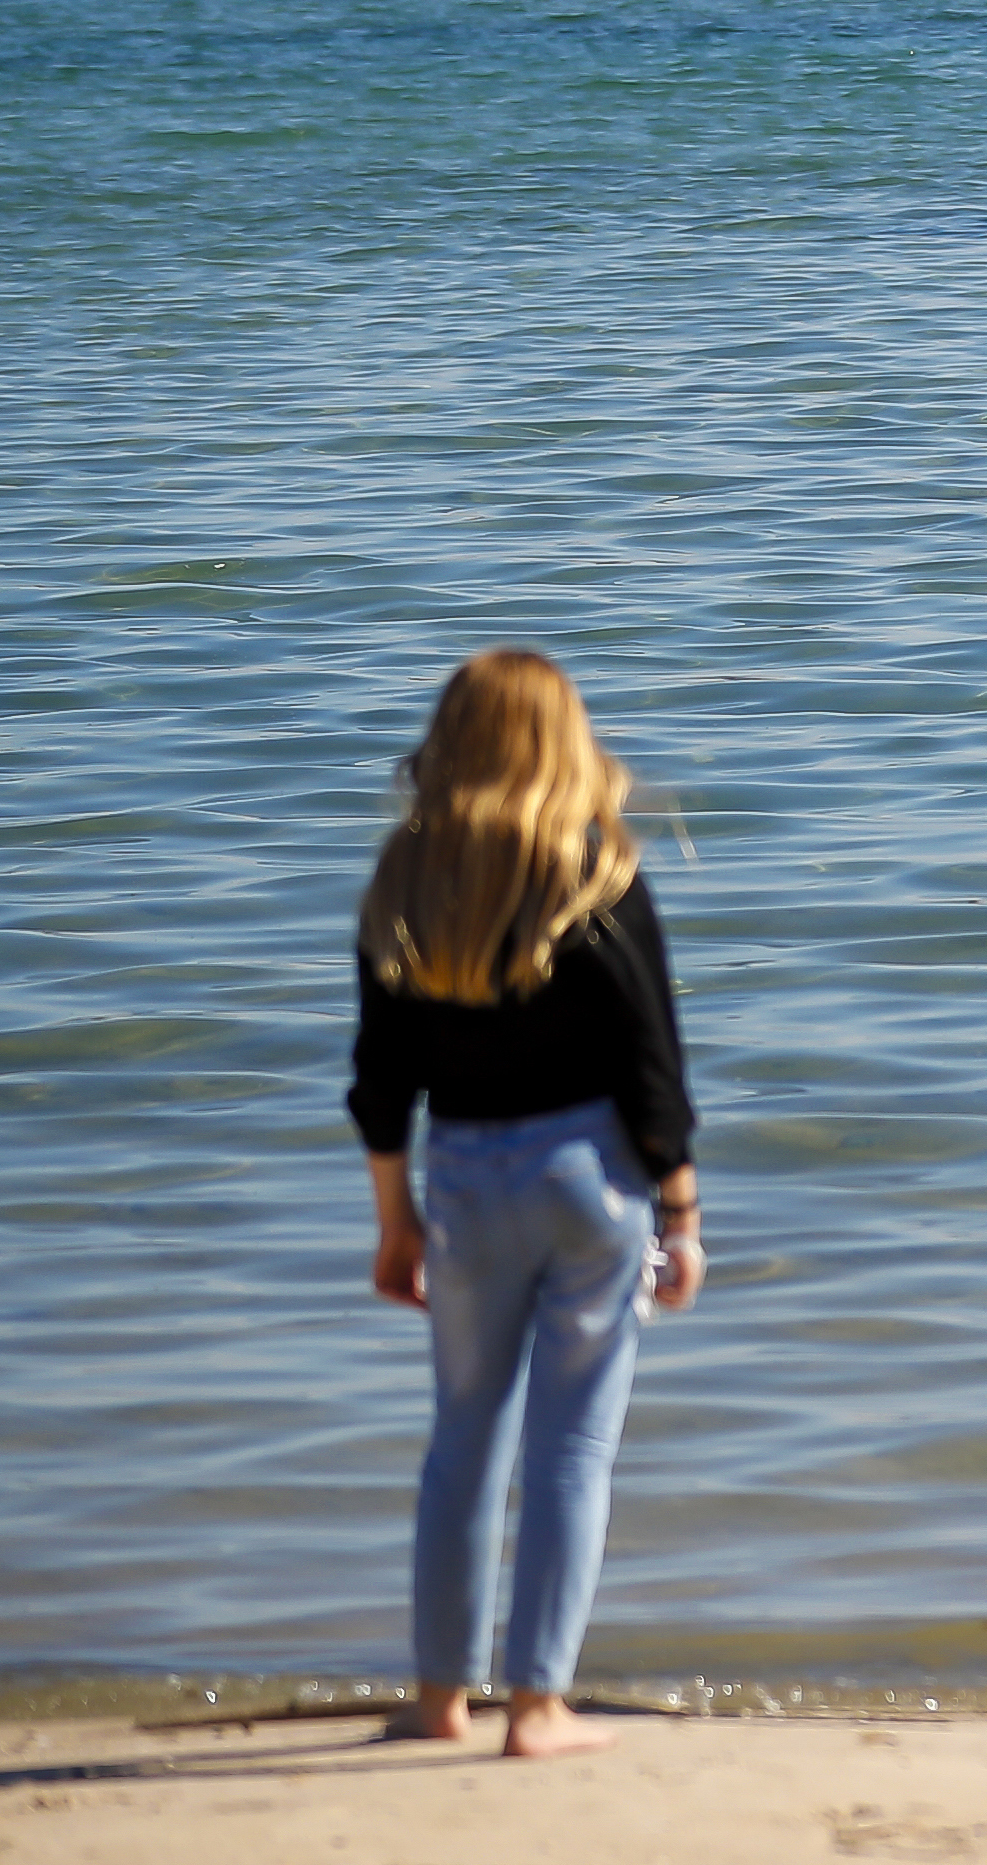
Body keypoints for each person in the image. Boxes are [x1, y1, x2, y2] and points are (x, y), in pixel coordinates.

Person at [343, 648, 703, 1757]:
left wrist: (395, 1220)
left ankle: (440, 1700)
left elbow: (379, 1079)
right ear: (568, 742)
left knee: (463, 1440)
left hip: (459, 1172)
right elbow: (652, 1067)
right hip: (588, 1179)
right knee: (571, 1448)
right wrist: (681, 1213)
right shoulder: (598, 875)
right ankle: (539, 1708)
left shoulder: (408, 879)